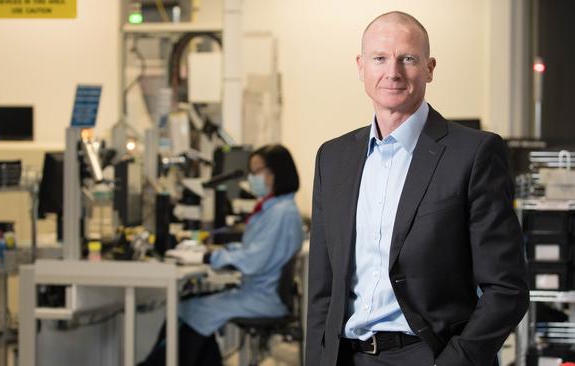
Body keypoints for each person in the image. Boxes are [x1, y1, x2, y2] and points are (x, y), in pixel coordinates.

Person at [306, 11, 529, 366]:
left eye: (407, 58)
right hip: (347, 357)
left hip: (429, 355)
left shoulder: (473, 154)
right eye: (379, 58)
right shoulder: (332, 158)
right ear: (361, 67)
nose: (392, 72)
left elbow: (507, 289)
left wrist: (454, 361)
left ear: (429, 68)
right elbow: (322, 288)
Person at [141, 143, 303, 366]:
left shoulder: (281, 213)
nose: (251, 178)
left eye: (256, 172)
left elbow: (253, 260)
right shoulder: (276, 208)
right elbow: (255, 250)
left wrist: (206, 258)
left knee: (194, 310)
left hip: (262, 299)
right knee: (189, 307)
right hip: (258, 293)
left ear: (276, 172)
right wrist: (212, 252)